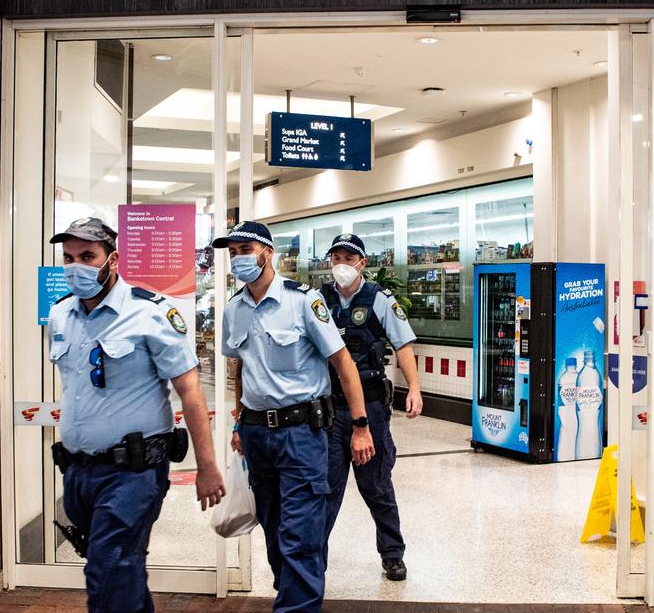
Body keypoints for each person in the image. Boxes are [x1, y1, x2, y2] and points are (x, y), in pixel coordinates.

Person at [46, 217, 225, 613]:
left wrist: (206, 466)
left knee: (107, 570)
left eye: (88, 256)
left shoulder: (151, 313)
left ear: (113, 260)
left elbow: (190, 391)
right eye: (69, 257)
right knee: (120, 569)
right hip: (78, 472)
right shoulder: (61, 315)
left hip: (132, 473)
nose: (77, 265)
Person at [216, 221, 374, 613]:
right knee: (274, 533)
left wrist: (360, 425)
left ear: (267, 253)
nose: (238, 259)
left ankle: (296, 605)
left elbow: (343, 363)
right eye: (232, 253)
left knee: (300, 536)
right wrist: (238, 423)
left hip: (302, 433)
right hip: (256, 435)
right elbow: (241, 368)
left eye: (244, 251)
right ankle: (294, 594)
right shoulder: (234, 309)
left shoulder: (303, 301)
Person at [319, 233, 422, 582]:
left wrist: (416, 389)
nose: (341, 265)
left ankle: (392, 554)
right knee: (326, 486)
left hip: (372, 405)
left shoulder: (379, 298)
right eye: (336, 259)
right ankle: (314, 558)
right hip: (332, 408)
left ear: (362, 263)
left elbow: (403, 344)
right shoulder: (320, 299)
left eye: (349, 258)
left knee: (376, 484)